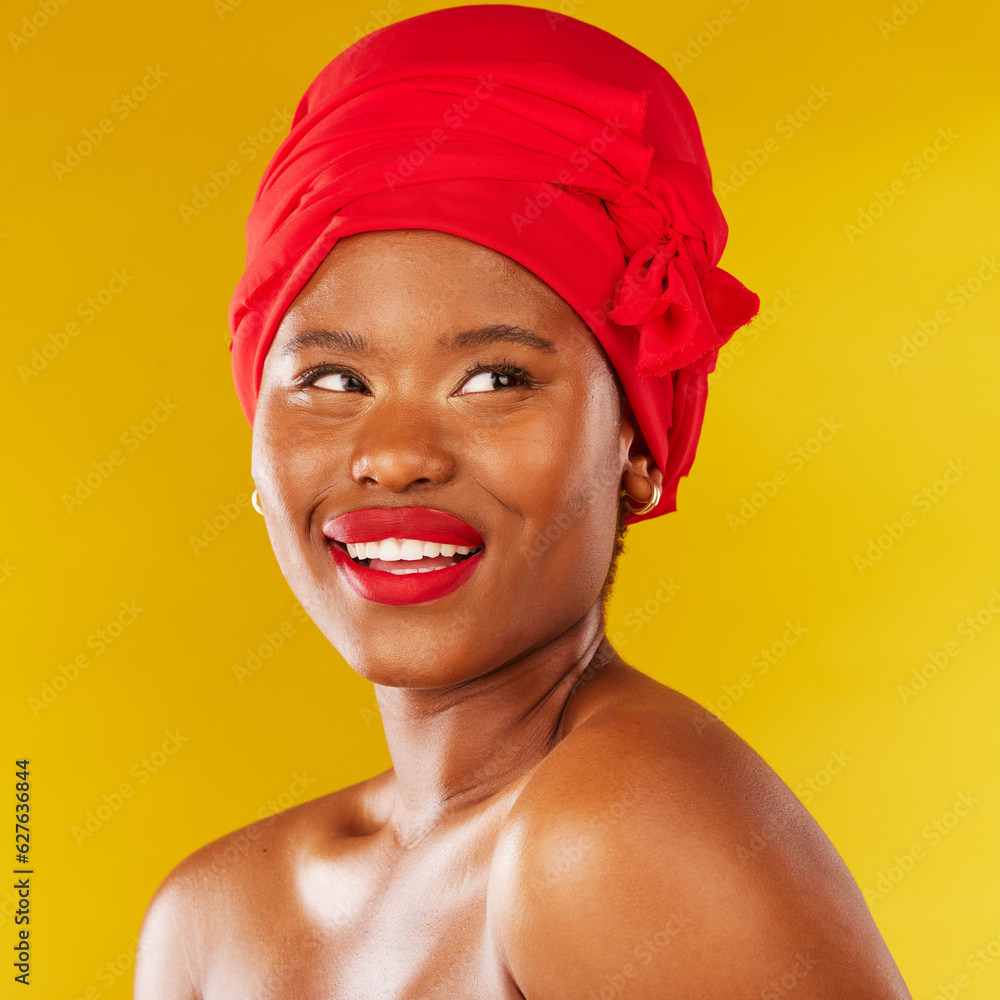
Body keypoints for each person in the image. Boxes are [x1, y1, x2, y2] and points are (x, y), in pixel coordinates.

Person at [135, 5, 913, 997]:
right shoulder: (211, 920)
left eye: (495, 380)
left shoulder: (611, 831)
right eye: (331, 380)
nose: (397, 455)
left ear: (637, 447)